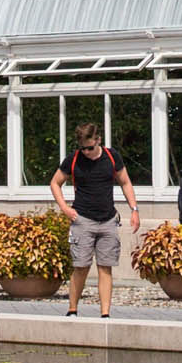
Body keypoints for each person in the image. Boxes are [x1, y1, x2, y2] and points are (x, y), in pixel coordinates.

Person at [51, 117, 131, 319]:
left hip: (108, 219)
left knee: (105, 267)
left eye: (89, 148)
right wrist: (64, 208)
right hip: (82, 219)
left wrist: (135, 209)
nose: (86, 152)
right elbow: (55, 183)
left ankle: (105, 314)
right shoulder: (74, 159)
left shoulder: (112, 157)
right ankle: (72, 309)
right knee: (81, 266)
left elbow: (125, 183)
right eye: (83, 148)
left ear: (98, 140)